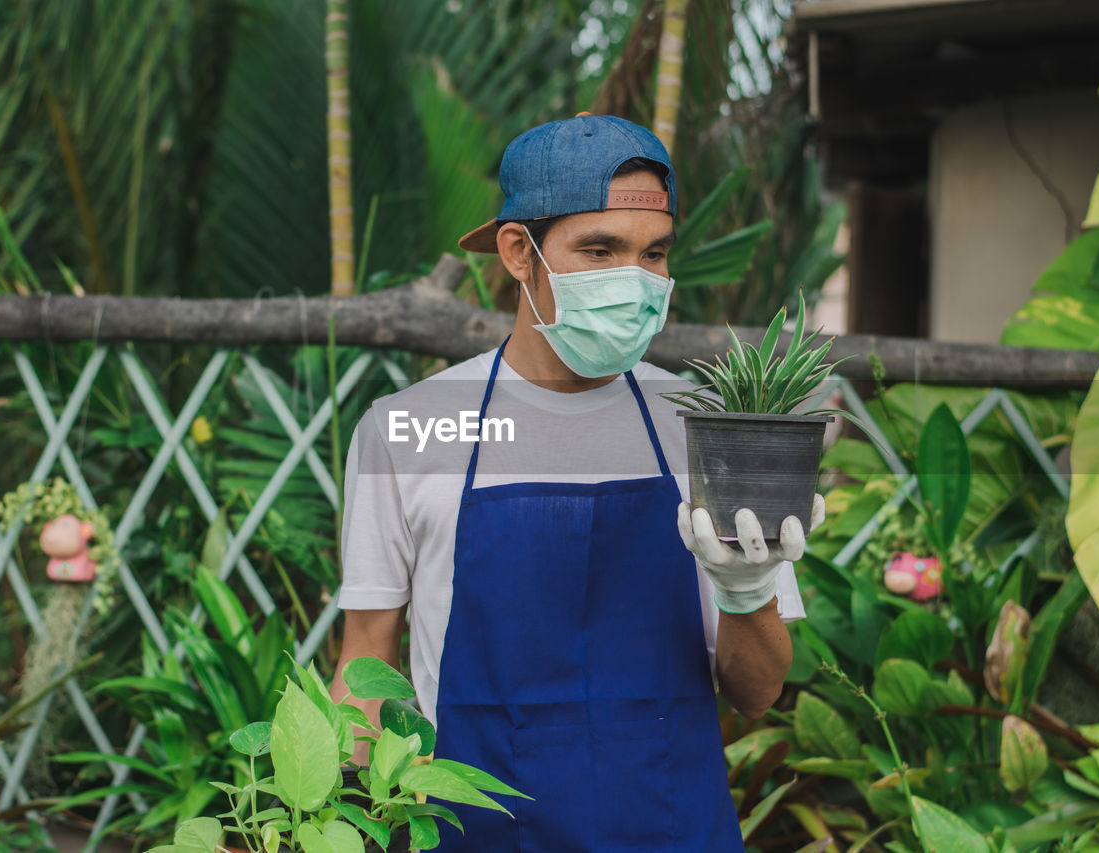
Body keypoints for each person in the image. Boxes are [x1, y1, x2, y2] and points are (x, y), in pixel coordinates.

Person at [331, 113, 821, 852]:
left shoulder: (707, 429)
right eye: (601, 250)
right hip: (473, 835)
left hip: (671, 831)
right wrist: (324, 824)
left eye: (653, 253)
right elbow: (364, 667)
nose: (635, 278)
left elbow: (756, 696)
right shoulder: (409, 429)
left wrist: (748, 591)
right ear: (518, 253)